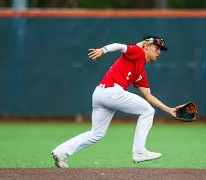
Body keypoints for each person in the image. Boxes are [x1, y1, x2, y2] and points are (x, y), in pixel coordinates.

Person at [51, 35, 177, 168]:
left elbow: (148, 96)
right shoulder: (138, 52)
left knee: (96, 134)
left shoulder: (140, 71)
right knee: (148, 111)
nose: (159, 52)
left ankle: (61, 152)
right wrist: (103, 50)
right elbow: (120, 46)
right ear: (146, 46)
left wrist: (169, 110)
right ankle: (139, 152)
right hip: (112, 92)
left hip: (100, 93)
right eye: (156, 48)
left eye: (160, 50)